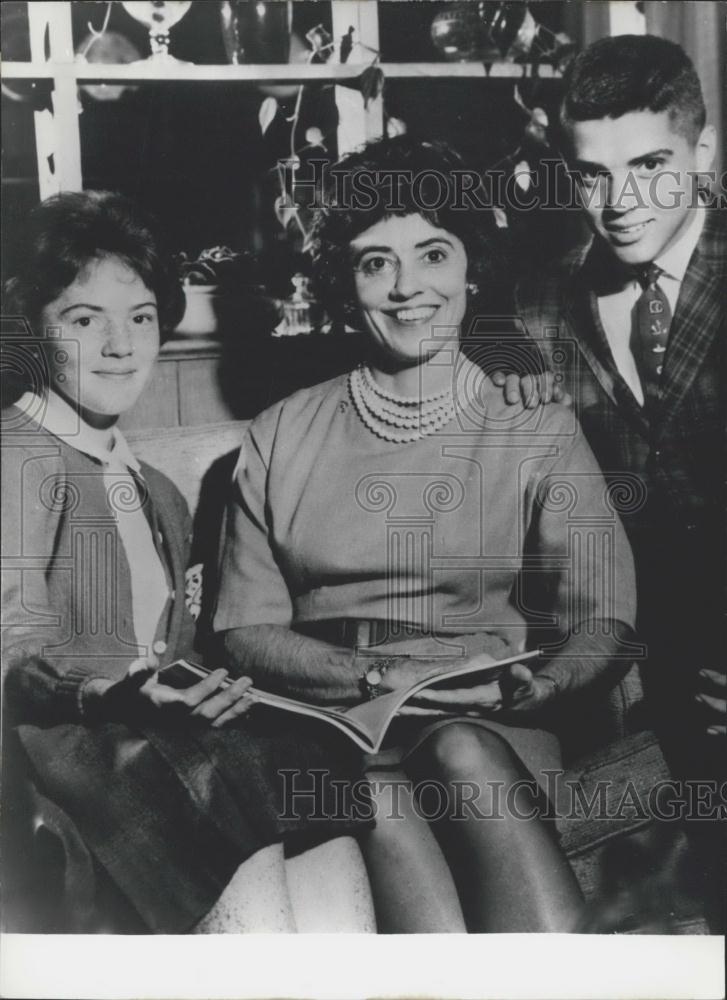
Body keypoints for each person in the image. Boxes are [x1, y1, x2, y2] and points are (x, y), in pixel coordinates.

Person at [213, 136, 638, 933]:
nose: (408, 288)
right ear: (347, 284)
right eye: (375, 262)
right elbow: (242, 627)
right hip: (328, 715)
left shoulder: (532, 419)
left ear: (471, 269)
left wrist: (534, 687)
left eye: (433, 254)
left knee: (460, 752)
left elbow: (603, 614)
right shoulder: (281, 431)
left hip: (488, 717)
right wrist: (369, 676)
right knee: (368, 787)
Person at [1, 191, 375, 935]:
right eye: (84, 320)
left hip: (162, 736)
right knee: (227, 781)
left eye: (140, 318)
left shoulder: (157, 489)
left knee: (312, 775)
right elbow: (13, 652)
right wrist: (111, 693)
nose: (120, 345)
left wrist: (227, 688)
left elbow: (172, 651)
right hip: (67, 758)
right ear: (29, 328)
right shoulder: (18, 455)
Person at [505, 35, 725, 930]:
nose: (620, 202)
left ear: (702, 156)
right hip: (642, 684)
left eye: (650, 165)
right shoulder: (532, 312)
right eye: (591, 174)